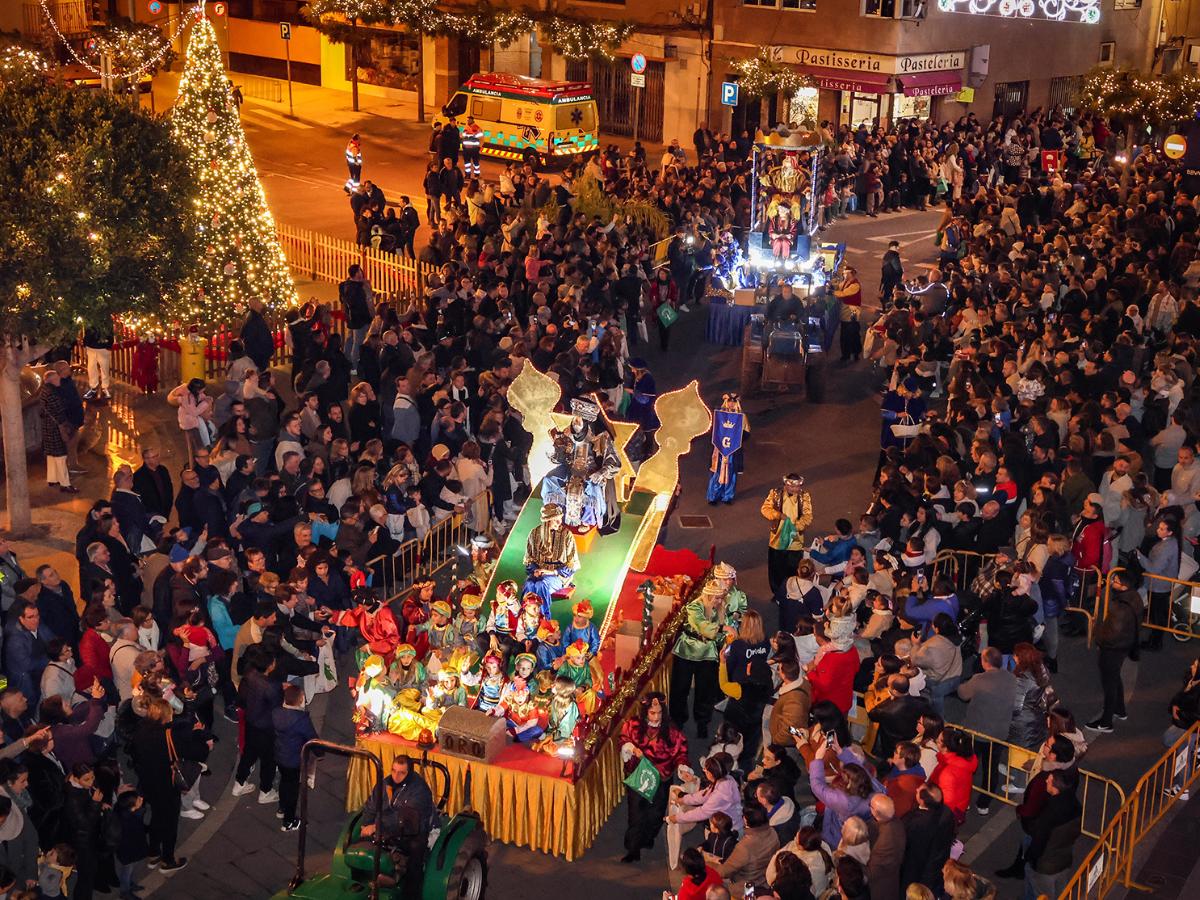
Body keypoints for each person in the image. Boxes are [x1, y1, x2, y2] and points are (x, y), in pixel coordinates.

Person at [619, 692, 687, 863]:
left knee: (655, 815)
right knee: (636, 815)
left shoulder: (671, 731)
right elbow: (623, 740)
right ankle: (633, 849)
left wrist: (684, 767)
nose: (656, 717)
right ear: (645, 712)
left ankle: (648, 838)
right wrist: (631, 749)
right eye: (652, 713)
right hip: (638, 777)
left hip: (662, 779)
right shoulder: (632, 725)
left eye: (659, 713)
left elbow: (681, 752)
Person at [359, 754, 436, 895]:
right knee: (361, 841)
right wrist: (366, 825)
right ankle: (368, 878)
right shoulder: (385, 784)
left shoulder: (419, 791)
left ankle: (411, 892)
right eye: (394, 770)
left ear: (410, 773)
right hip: (387, 826)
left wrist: (376, 827)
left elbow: (404, 819)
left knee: (415, 853)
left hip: (413, 829)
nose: (396, 776)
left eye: (402, 773)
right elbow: (371, 806)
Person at [956, 646, 1017, 814]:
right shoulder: (1011, 678)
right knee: (991, 767)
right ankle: (984, 803)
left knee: (967, 765)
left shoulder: (979, 680)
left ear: (985, 662)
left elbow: (963, 694)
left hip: (977, 732)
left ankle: (964, 798)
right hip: (999, 733)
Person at [1088, 568, 1142, 733]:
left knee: (1109, 683)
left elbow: (1110, 633)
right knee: (1114, 677)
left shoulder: (1120, 609)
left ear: (1124, 586)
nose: (1112, 583)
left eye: (1115, 581)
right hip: (1124, 645)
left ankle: (1106, 722)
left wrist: (1099, 639)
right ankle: (1120, 709)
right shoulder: (1135, 598)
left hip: (1112, 648)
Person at [670, 580, 726, 738]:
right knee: (680, 688)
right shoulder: (694, 606)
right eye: (716, 598)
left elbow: (722, 630)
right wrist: (722, 628)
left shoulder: (719, 608)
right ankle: (677, 722)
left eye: (721, 598)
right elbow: (704, 627)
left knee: (705, 690)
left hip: (707, 653)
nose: (719, 601)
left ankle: (703, 722)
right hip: (686, 651)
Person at [273, 683, 318, 832]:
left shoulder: (277, 713)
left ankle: (282, 808)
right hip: (294, 759)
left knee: (284, 782)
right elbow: (312, 738)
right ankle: (289, 821)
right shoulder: (300, 719)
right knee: (293, 789)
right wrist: (320, 752)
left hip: (280, 754)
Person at [521, 504, 579, 618]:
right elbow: (529, 559)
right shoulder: (534, 533)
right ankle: (525, 617)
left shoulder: (567, 535)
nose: (559, 523)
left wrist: (551, 572)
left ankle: (544, 618)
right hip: (539, 572)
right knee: (529, 584)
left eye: (560, 519)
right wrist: (535, 570)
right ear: (547, 521)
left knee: (541, 585)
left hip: (558, 575)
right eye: (555, 520)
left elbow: (572, 565)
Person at [761, 474, 814, 594]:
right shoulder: (775, 493)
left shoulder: (804, 496)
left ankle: (790, 591)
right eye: (792, 487)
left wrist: (796, 526)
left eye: (797, 487)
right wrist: (778, 515)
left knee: (792, 568)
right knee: (776, 569)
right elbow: (765, 508)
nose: (795, 490)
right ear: (786, 485)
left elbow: (808, 515)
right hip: (777, 539)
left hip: (795, 540)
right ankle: (777, 592)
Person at [713, 805, 779, 891]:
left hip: (746, 886)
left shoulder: (745, 846)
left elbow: (724, 871)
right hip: (766, 878)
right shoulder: (773, 832)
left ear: (746, 820)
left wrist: (707, 864)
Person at [38, 367, 77, 494]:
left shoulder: (44, 391)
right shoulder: (52, 393)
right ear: (50, 380)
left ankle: (52, 478)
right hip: (56, 427)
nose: (59, 379)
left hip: (48, 426)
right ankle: (65, 484)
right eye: (56, 378)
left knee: (51, 454)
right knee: (60, 455)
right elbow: (59, 411)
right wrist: (66, 425)